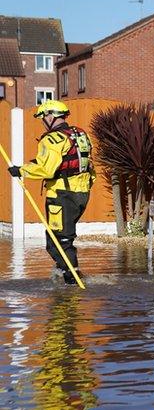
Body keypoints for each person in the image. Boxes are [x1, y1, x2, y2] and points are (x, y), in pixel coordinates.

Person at [7, 100, 95, 285]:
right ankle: (64, 273)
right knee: (60, 237)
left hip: (61, 195)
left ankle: (72, 280)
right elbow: (87, 167)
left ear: (50, 116)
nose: (42, 121)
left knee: (59, 242)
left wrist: (21, 171)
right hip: (82, 194)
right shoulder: (80, 135)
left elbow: (47, 170)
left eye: (42, 117)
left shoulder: (52, 139)